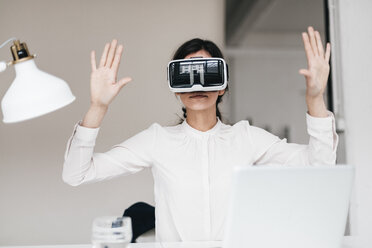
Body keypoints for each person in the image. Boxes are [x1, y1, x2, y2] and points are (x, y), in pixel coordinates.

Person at [63, 26, 338, 242]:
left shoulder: (246, 138)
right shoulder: (157, 140)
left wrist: (315, 98)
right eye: (187, 75)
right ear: (176, 86)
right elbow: (77, 173)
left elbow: (320, 165)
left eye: (208, 73)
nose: (197, 84)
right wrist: (98, 107)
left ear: (222, 86)